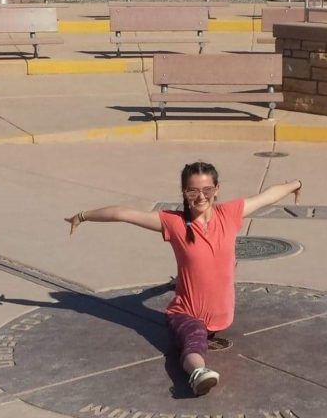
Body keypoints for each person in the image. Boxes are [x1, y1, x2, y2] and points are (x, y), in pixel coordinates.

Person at [65, 162, 302, 396]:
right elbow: (123, 213)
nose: (201, 197)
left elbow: (267, 196)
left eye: (207, 190)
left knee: (201, 333)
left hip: (221, 316)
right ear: (184, 192)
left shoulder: (230, 214)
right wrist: (82, 216)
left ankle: (198, 362)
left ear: (217, 189)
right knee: (194, 341)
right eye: (193, 191)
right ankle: (198, 373)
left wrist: (295, 184)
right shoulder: (174, 223)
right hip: (187, 313)